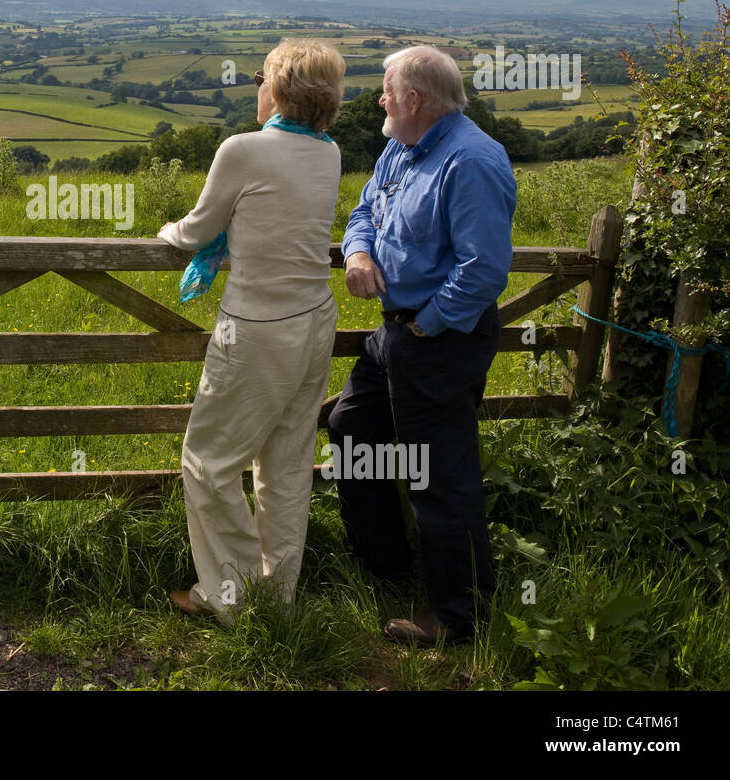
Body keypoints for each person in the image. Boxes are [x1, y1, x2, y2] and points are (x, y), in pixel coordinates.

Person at [329, 44, 516, 645]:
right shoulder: (400, 148)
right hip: (394, 333)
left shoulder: (472, 161)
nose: (379, 98)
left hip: (438, 338)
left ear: (414, 98)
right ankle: (385, 564)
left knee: (438, 473)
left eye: (386, 89)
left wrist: (425, 324)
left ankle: (461, 614)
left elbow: (484, 270)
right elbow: (364, 210)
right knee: (351, 427)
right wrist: (358, 251)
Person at [158, 38, 344, 624]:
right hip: (315, 319)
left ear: (281, 90)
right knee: (286, 467)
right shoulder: (330, 151)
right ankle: (276, 600)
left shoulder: (243, 149)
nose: (256, 89)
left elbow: (197, 230)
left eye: (262, 79)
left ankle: (229, 597)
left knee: (208, 464)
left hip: (258, 327)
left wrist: (168, 234)